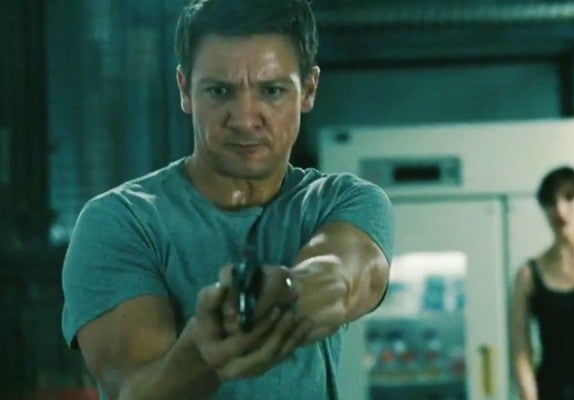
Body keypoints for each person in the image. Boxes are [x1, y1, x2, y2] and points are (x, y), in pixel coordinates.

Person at [60, 0, 394, 399]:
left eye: (272, 91)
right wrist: (203, 351)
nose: (245, 119)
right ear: (184, 90)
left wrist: (294, 290)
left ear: (308, 89)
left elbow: (346, 272)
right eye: (220, 91)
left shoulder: (343, 200)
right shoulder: (119, 221)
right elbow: (131, 391)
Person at [511, 166, 574, 400]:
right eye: (551, 202)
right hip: (556, 390)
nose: (560, 210)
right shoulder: (528, 275)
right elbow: (521, 349)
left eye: (569, 198)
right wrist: (528, 394)